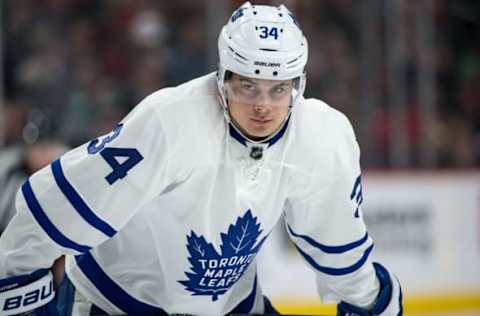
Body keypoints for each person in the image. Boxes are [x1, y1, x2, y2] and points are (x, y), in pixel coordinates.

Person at [0, 2, 402, 315]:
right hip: (114, 304)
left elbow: (338, 246)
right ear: (223, 78)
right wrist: (17, 281)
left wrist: (370, 297)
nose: (263, 106)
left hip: (233, 306)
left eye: (278, 89)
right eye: (248, 86)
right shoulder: (168, 123)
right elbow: (58, 207)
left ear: (299, 85)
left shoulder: (321, 137)